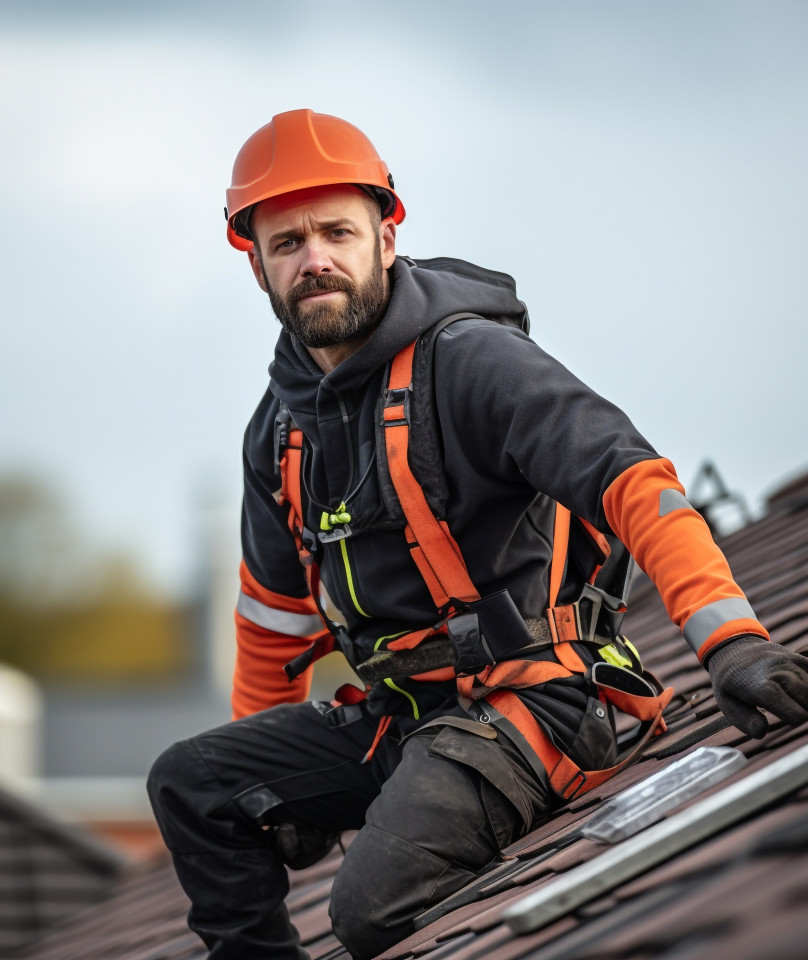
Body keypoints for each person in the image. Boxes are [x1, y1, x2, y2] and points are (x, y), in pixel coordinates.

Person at [147, 109, 808, 960]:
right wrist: (274, 796)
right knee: (192, 784)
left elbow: (634, 484)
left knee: (367, 911)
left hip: (543, 700)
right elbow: (273, 620)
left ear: (387, 236)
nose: (315, 260)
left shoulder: (471, 361)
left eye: (338, 232)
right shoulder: (278, 434)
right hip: (403, 718)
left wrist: (734, 645)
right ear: (257, 267)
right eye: (287, 244)